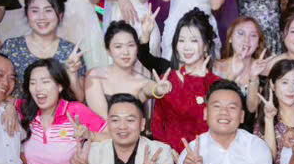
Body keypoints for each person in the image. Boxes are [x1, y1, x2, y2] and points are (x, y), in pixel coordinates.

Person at [151, 11, 221, 153]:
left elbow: (207, 128)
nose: (186, 47)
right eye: (181, 40)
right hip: (170, 158)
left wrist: (197, 82)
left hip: (203, 158)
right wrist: (167, 153)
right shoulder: (168, 79)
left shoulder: (216, 84)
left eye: (194, 40)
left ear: (206, 45)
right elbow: (157, 124)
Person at [0, 0, 86, 100]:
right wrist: (11, 104)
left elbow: (79, 99)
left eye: (48, 10)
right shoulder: (11, 46)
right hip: (15, 110)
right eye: (35, 11)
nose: (41, 17)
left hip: (57, 111)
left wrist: (72, 75)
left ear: (60, 16)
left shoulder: (70, 51)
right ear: (27, 14)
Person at [84, 21, 169, 118]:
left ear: (137, 48)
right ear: (108, 50)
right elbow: (103, 120)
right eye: (118, 46)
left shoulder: (142, 82)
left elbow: (151, 88)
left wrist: (158, 89)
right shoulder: (95, 76)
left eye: (131, 45)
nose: (125, 52)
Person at [212, 16, 265, 109]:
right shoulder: (216, 67)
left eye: (253, 35)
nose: (246, 40)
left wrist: (253, 77)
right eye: (241, 33)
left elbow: (252, 109)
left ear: (258, 43)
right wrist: (233, 75)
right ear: (230, 38)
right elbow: (214, 103)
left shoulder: (262, 70)